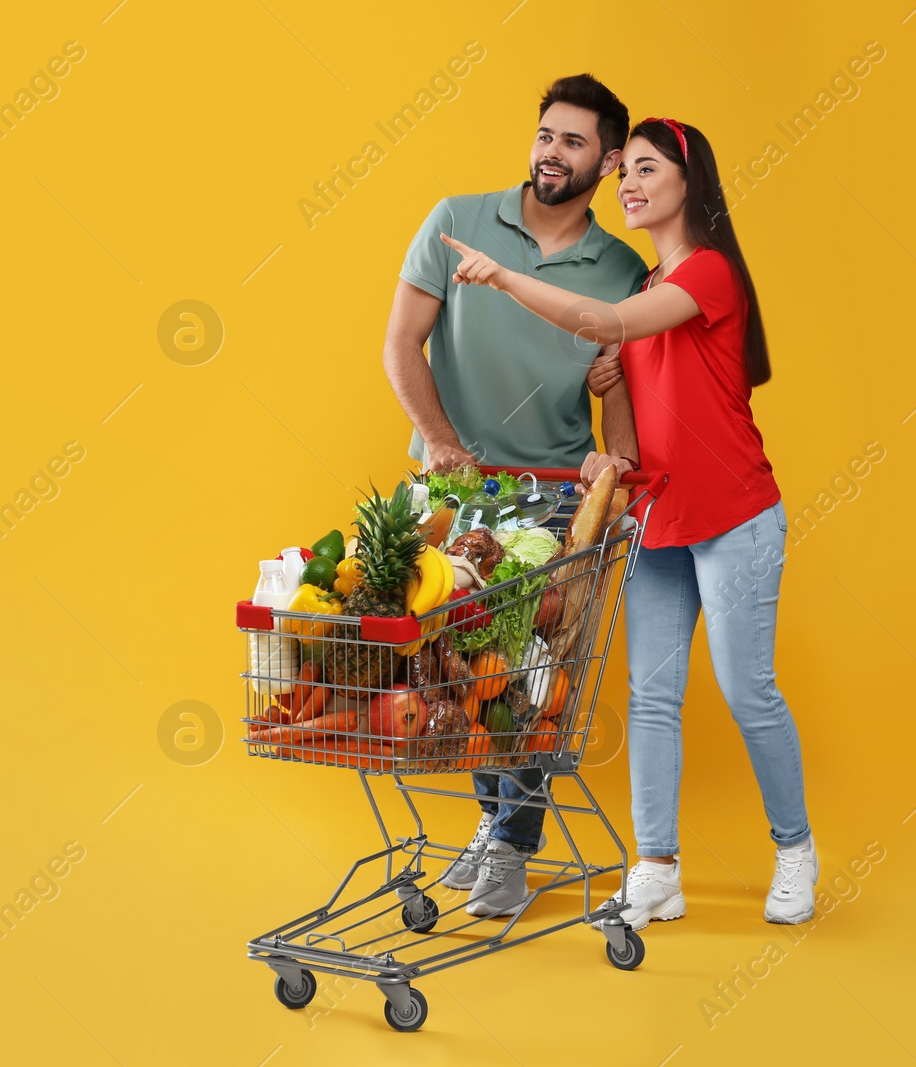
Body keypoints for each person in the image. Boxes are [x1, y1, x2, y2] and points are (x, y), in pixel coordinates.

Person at [440, 116, 818, 926]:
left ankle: (795, 849)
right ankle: (656, 867)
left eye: (647, 169)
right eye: (625, 173)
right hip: (660, 519)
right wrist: (610, 434)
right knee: (652, 696)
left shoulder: (708, 274)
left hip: (737, 517)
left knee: (747, 689)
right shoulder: (646, 290)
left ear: (690, 184)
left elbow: (603, 324)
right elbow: (639, 423)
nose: (630, 184)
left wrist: (504, 279)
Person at [384, 74, 648, 918]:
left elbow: (620, 397)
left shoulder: (622, 268)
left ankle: (510, 843)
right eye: (545, 135)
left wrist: (617, 458)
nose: (550, 153)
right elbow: (399, 345)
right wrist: (445, 445)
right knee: (462, 674)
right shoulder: (455, 220)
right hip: (455, 492)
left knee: (530, 680)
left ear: (607, 162)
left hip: (553, 499)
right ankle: (498, 822)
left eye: (573, 143)